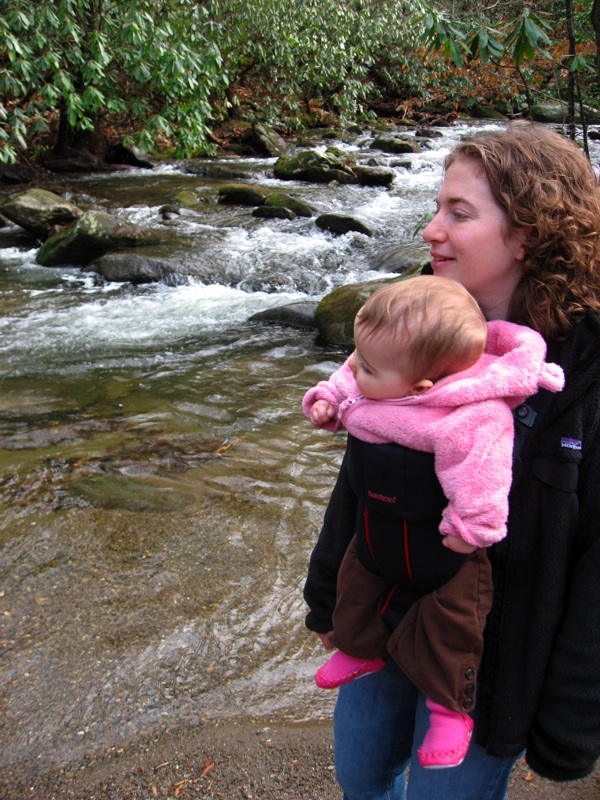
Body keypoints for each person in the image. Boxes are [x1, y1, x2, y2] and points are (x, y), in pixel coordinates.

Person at [303, 123, 600, 799]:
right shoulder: (412, 323)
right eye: (437, 208)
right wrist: (327, 602)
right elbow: (356, 484)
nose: (432, 230)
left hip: (493, 668)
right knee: (361, 775)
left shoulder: (584, 373)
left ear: (528, 233)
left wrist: (572, 720)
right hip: (383, 621)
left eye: (458, 213)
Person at [302, 276, 564, 769]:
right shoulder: (387, 361)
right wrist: (327, 399)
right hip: (379, 537)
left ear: (419, 387)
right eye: (358, 361)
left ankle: (450, 709)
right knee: (356, 586)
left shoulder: (468, 412)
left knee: (452, 629)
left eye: (368, 369)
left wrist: (471, 530)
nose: (355, 373)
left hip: (447, 555)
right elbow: (349, 372)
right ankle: (361, 648)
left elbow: (483, 475)